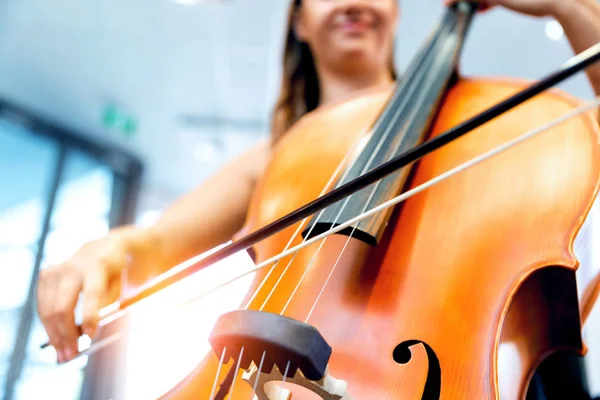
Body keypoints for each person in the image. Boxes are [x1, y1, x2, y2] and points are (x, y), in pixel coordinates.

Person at [37, 0, 600, 366]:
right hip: (266, 372)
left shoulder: (480, 125)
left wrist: (569, 7)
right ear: (299, 20)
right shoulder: (279, 157)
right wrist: (100, 252)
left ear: (397, 12)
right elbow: (151, 247)